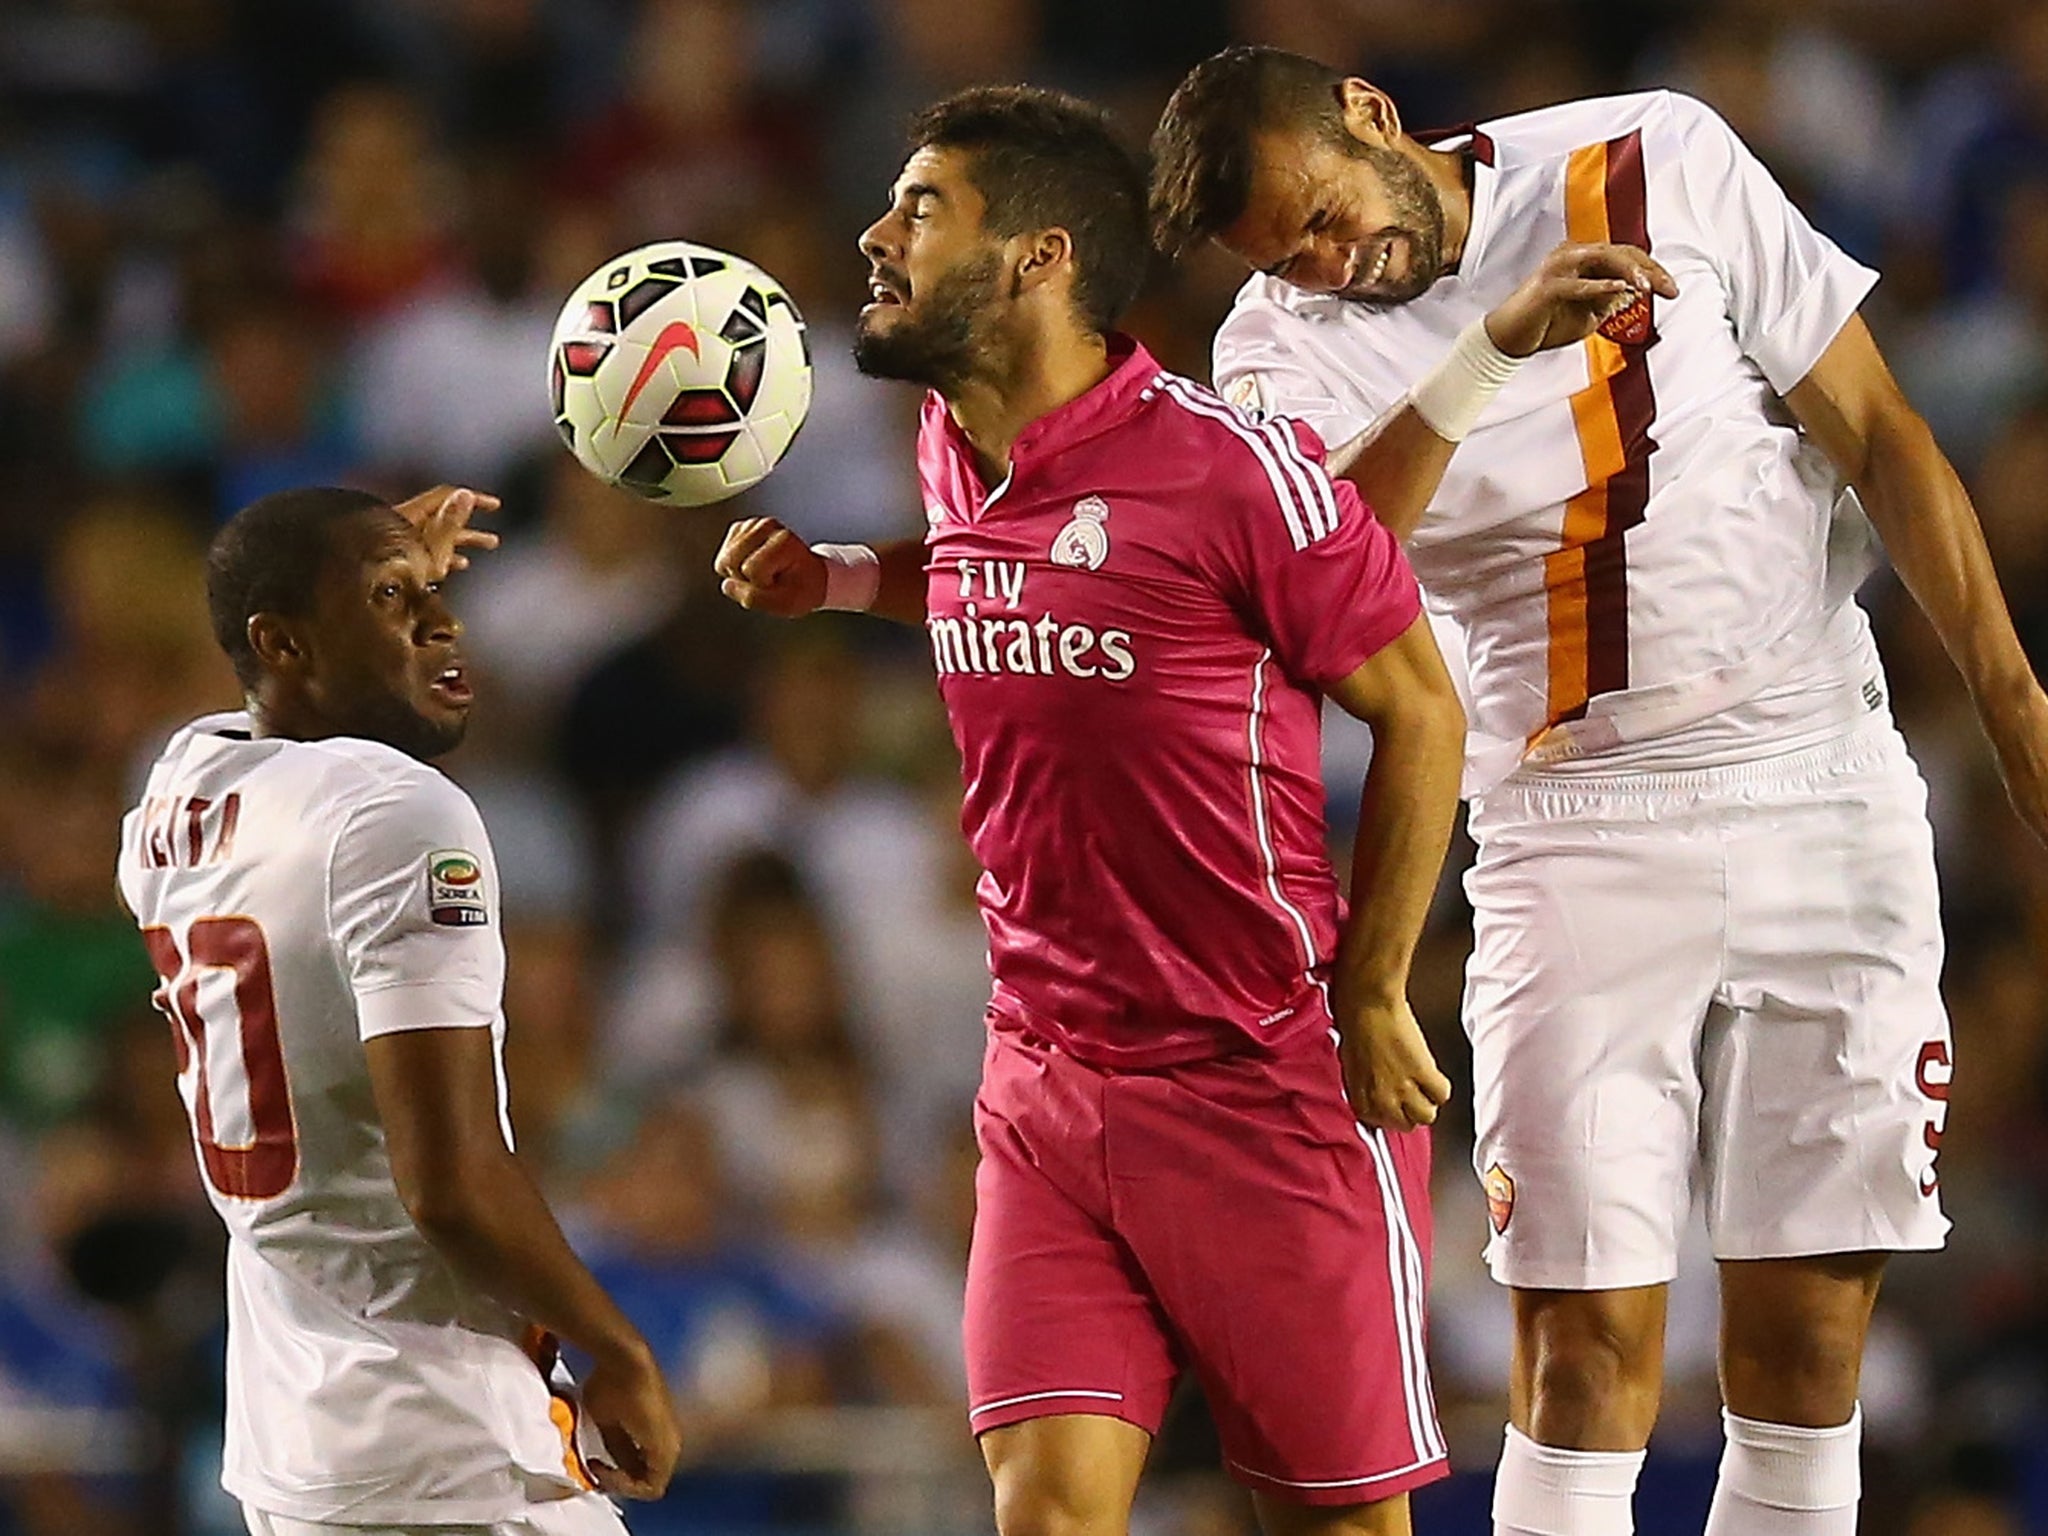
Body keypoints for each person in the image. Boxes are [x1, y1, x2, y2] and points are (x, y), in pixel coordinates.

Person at [714, 84, 1659, 1536]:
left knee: (1332, 1523)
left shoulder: (1227, 470)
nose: (872, 234)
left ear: (1036, 257)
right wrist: (838, 579)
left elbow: (1418, 709)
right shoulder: (948, 436)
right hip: (1044, 1081)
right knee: (1046, 1513)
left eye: (920, 208)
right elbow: (994, 567)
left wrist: (1376, 992)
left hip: (1262, 1087)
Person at [1149, 44, 2048, 1536]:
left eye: (1319, 217)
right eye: (1283, 253)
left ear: (1374, 116)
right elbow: (1321, 583)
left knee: (1810, 1349)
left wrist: (2016, 707)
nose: (1323, 262)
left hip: (1817, 769)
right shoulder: (1271, 346)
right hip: (1570, 825)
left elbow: (1881, 432)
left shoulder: (1658, 151)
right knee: (1583, 1358)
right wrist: (1485, 354)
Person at [116, 484, 683, 1536]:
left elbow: (249, 690)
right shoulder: (395, 807)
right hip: (444, 1441)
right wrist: (619, 1346)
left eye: (430, 593)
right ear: (283, 643)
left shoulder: (169, 801)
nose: (443, 620)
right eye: (394, 599)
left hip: (298, 1445)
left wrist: (353, 590)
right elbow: (450, 1182)